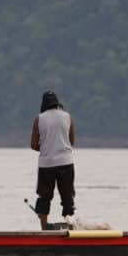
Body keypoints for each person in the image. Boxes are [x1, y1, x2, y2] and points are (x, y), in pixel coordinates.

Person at [30, 90, 75, 229]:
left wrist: (47, 149)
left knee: (44, 196)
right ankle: (69, 225)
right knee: (67, 196)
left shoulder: (39, 119)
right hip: (66, 163)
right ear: (57, 103)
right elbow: (71, 142)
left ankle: (44, 226)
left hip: (46, 164)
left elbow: (33, 144)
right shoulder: (68, 117)